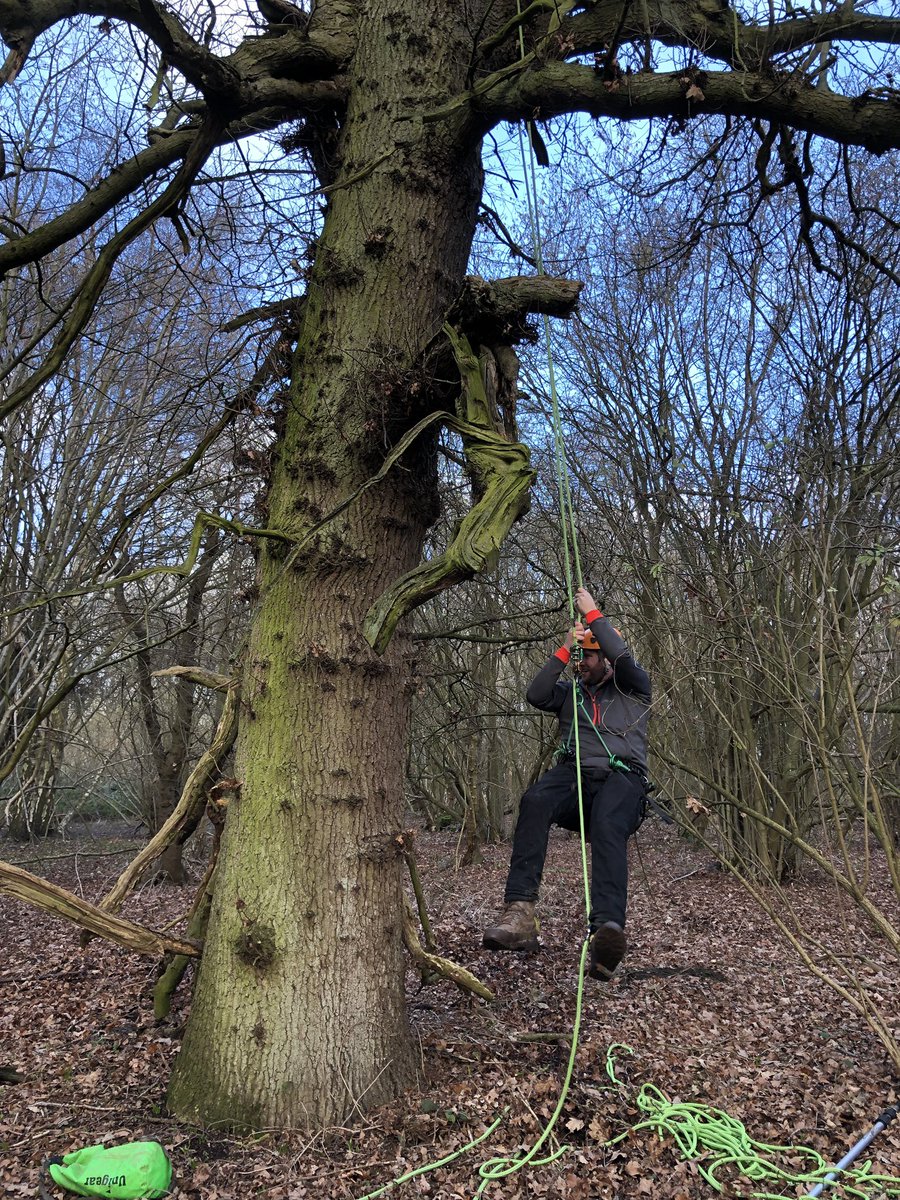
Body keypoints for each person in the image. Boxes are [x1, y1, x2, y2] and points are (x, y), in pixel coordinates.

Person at [483, 587, 651, 980]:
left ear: (605, 657)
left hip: (623, 778)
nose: (583, 664)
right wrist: (564, 649)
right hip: (575, 775)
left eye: (588, 657)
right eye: (579, 658)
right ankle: (520, 913)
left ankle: (607, 931)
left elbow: (623, 655)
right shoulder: (569, 694)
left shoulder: (633, 686)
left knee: (609, 822)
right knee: (536, 798)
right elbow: (535, 694)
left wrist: (592, 614)